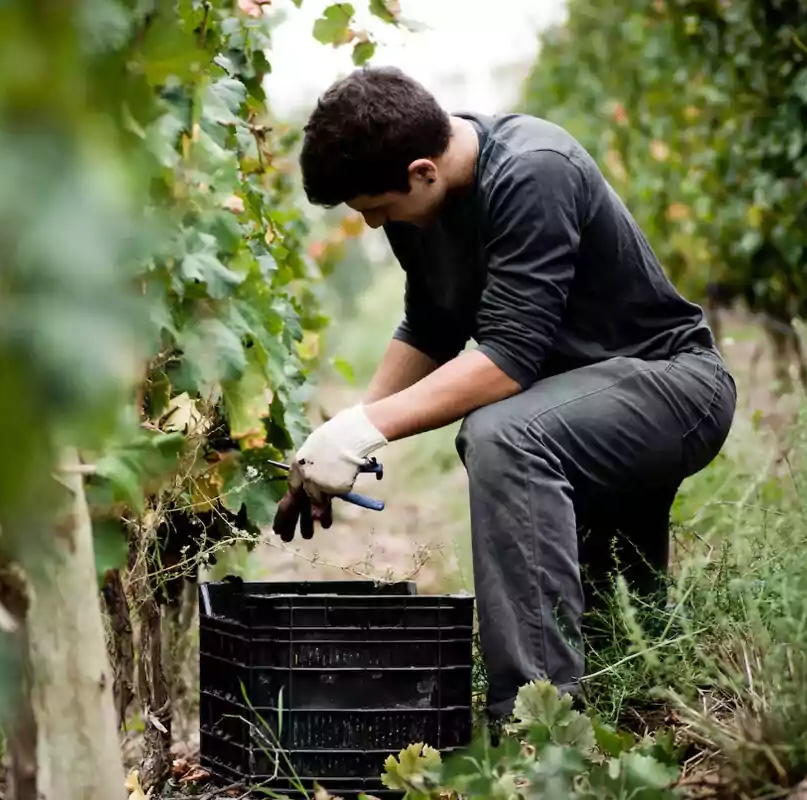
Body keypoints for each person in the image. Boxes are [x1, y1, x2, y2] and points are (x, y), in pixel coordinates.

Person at [271, 66, 737, 729]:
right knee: (623, 644)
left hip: (674, 388)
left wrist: (365, 430)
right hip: (574, 403)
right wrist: (344, 431)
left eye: (376, 206)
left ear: (423, 171)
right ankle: (599, 703)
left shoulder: (532, 171)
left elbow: (507, 363)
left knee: (501, 432)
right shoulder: (421, 209)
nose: (374, 225)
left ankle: (535, 718)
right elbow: (433, 327)